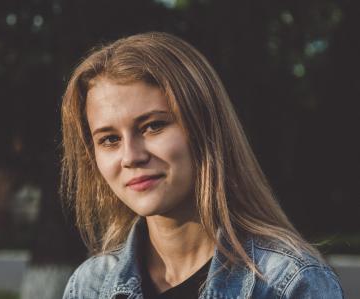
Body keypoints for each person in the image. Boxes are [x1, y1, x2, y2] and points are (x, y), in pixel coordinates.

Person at [60, 32, 344, 298]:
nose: (131, 156)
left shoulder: (288, 282)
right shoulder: (90, 286)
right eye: (109, 139)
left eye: (153, 126)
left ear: (204, 126)